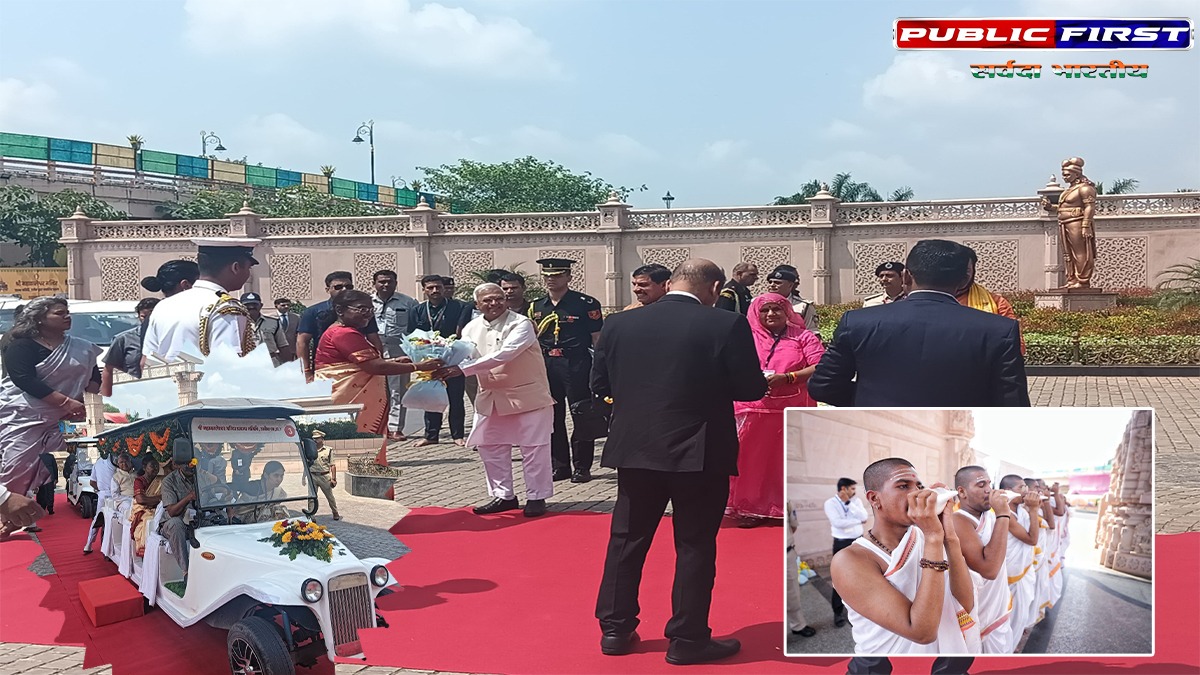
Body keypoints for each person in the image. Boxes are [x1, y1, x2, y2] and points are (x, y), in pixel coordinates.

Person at [591, 259, 767, 665]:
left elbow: (600, 384)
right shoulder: (725, 323)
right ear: (716, 287)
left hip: (636, 448)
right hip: (699, 450)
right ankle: (688, 638)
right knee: (694, 544)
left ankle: (615, 629)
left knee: (627, 539)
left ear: (670, 284)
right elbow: (750, 387)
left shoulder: (620, 324)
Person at [808, 239, 1030, 407]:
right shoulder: (999, 330)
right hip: (954, 438)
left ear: (905, 276)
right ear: (964, 279)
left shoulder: (857, 322)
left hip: (877, 432)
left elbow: (823, 387)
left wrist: (873, 400)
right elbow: (1012, 403)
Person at [831, 458, 977, 675]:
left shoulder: (925, 537)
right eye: (903, 486)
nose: (916, 494)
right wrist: (934, 538)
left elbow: (964, 603)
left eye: (919, 486)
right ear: (874, 498)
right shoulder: (849, 560)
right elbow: (921, 632)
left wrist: (949, 537)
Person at [434, 283, 555, 517]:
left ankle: (537, 496)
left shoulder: (521, 324)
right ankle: (503, 496)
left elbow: (505, 354)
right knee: (490, 447)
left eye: (499, 298)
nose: (494, 303)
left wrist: (462, 370)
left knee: (534, 448)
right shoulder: (471, 327)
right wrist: (437, 361)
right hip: (491, 395)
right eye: (487, 300)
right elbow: (464, 354)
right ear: (477, 304)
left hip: (527, 394)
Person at [0, 297, 101, 539]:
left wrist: (83, 400)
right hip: (23, 414)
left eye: (67, 312)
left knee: (31, 467)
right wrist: (66, 402)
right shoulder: (20, 346)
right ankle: (8, 515)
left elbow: (93, 377)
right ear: (39, 318)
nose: (67, 316)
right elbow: (23, 379)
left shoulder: (81, 347)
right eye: (59, 313)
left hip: (58, 417)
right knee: (16, 464)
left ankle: (12, 519)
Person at [728, 293, 824, 527]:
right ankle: (750, 507)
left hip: (792, 407)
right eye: (765, 310)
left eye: (776, 309)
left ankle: (787, 507)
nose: (771, 314)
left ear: (787, 311)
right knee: (752, 462)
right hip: (753, 408)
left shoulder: (802, 336)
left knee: (788, 460)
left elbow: (820, 364)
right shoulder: (745, 337)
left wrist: (789, 377)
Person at [315, 290, 443, 464]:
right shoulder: (343, 334)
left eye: (370, 309)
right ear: (340, 310)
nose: (368, 314)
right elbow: (374, 366)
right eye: (362, 309)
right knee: (356, 454)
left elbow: (363, 363)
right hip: (350, 401)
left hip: (347, 399)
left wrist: (394, 361)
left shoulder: (344, 331)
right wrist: (418, 366)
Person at [528, 258, 604, 483]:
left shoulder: (585, 303)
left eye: (557, 275)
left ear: (569, 277)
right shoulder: (537, 306)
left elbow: (597, 338)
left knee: (581, 414)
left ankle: (582, 466)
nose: (551, 279)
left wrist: (600, 368)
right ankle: (559, 466)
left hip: (576, 363)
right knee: (552, 416)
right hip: (547, 365)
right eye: (547, 276)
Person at [142, 238, 259, 363]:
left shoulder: (163, 305)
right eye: (248, 268)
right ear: (235, 268)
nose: (248, 274)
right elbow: (229, 364)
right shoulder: (226, 309)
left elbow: (147, 360)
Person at [952, 466, 1015, 654]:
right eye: (981, 485)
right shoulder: (959, 520)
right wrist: (1003, 514)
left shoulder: (989, 515)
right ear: (962, 492)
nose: (989, 490)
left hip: (998, 605)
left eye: (989, 484)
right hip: (980, 610)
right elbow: (990, 570)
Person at [408, 275, 471, 447]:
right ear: (424, 290)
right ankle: (431, 435)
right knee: (431, 397)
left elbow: (463, 333)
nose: (435, 290)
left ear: (444, 288)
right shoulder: (417, 310)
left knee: (456, 398)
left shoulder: (459, 307)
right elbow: (412, 335)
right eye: (430, 288)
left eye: (438, 287)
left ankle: (458, 435)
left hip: (453, 359)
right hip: (429, 360)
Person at [297, 271, 384, 383]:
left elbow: (374, 338)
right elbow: (302, 342)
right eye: (338, 287)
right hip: (327, 367)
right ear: (328, 290)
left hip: (359, 366)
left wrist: (380, 364)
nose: (344, 290)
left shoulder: (362, 311)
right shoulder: (313, 312)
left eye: (348, 286)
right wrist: (306, 372)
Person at [372, 270, 419, 441]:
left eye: (389, 281)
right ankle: (377, 427)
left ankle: (395, 428)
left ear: (395, 283)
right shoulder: (366, 302)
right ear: (374, 284)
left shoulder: (408, 302)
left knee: (398, 390)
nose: (385, 285)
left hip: (399, 350)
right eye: (381, 282)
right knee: (375, 391)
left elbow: (416, 328)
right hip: (373, 350)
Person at [955, 248, 1025, 355]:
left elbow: (1016, 347)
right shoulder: (933, 303)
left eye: (966, 270)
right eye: (955, 270)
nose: (961, 275)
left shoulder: (997, 303)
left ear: (973, 271)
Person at [998, 474, 1040, 650]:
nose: (1026, 491)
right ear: (1008, 491)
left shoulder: (1021, 511)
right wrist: (1034, 510)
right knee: (1008, 618)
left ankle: (1012, 645)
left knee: (1020, 616)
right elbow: (1032, 539)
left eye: (1026, 487)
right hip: (1009, 576)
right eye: (1021, 488)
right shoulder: (1005, 514)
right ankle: (1005, 650)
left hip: (1023, 571)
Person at [824, 477, 870, 627]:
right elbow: (837, 523)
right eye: (852, 488)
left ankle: (861, 609)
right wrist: (857, 521)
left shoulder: (855, 501)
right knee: (839, 578)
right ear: (843, 488)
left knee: (862, 575)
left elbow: (864, 517)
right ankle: (838, 612)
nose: (854, 491)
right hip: (842, 543)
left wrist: (849, 504)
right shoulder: (830, 503)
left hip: (859, 541)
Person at [101, 297, 158, 396]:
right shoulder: (123, 339)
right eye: (143, 317)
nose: (148, 320)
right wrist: (107, 396)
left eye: (152, 316)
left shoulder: (173, 338)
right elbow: (108, 369)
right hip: (132, 394)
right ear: (138, 316)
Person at [786, 501, 817, 638]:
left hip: (786, 553)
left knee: (792, 592)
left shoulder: (787, 501)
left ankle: (798, 625)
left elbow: (793, 526)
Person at [241, 292, 290, 367]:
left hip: (270, 362)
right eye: (247, 305)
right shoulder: (235, 324)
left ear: (261, 305)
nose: (251, 307)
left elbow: (283, 346)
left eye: (254, 304)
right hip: (245, 363)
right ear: (240, 306)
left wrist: (288, 366)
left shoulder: (273, 322)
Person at [129, 456, 164, 557]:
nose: (156, 468)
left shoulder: (160, 480)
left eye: (157, 466)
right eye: (152, 466)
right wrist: (159, 499)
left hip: (158, 507)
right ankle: (146, 551)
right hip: (142, 510)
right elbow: (141, 500)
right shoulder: (139, 481)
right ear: (144, 467)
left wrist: (157, 501)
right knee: (148, 520)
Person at [765, 265, 818, 331]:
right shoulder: (757, 303)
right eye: (770, 282)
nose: (772, 285)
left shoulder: (803, 306)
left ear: (790, 285)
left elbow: (812, 331)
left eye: (777, 283)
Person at [83, 453, 116, 554]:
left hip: (102, 494)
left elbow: (92, 482)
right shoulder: (114, 460)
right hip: (115, 495)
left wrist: (101, 489)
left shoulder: (97, 463)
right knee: (115, 520)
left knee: (97, 519)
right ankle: (110, 547)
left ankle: (88, 544)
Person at [306, 431, 340, 521]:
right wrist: (304, 477)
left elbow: (332, 465)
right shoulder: (309, 450)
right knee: (311, 497)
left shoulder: (328, 450)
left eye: (317, 438)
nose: (315, 440)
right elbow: (307, 464)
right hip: (312, 476)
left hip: (324, 476)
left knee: (329, 496)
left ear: (322, 439)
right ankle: (311, 514)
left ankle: (335, 512)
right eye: (314, 438)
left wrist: (334, 479)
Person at [34, 452, 58, 520]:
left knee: (41, 493)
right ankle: (50, 508)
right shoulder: (50, 456)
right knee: (50, 492)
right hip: (50, 476)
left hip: (41, 477)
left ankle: (42, 507)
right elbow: (55, 468)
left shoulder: (37, 456)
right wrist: (56, 478)